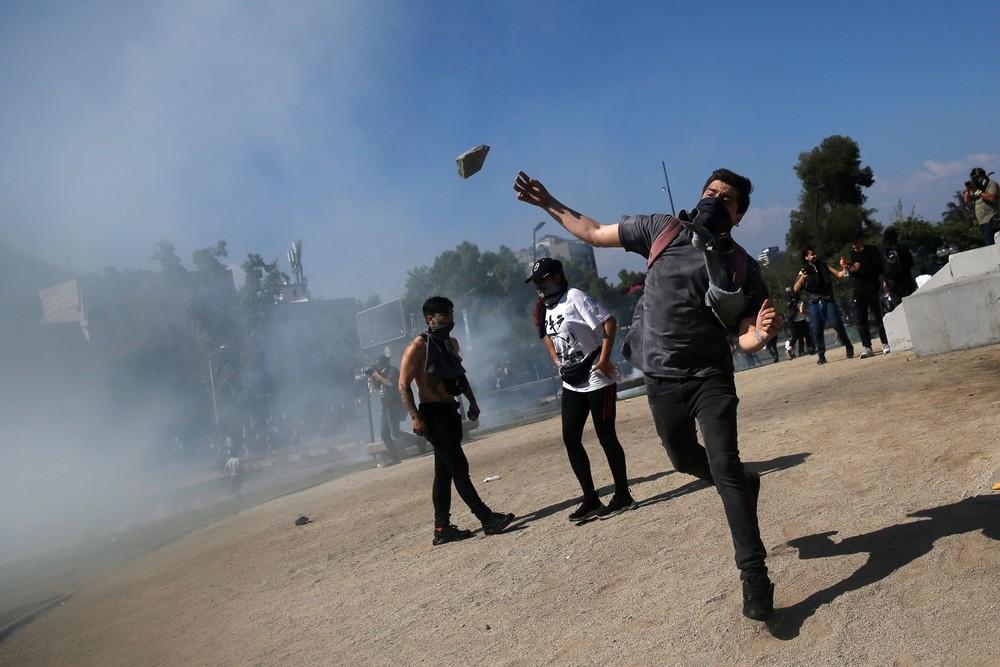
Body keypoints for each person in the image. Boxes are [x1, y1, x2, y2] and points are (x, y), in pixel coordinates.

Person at [514, 168, 781, 621]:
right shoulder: (663, 228)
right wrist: (547, 203)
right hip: (660, 377)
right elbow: (595, 232)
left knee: (724, 463)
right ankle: (743, 482)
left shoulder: (741, 264)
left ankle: (754, 574)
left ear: (738, 216)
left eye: (728, 199)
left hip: (710, 376)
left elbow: (746, 332)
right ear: (699, 196)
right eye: (711, 192)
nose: (717, 199)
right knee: (681, 459)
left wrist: (759, 336)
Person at [527, 256, 637, 521]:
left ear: (556, 276)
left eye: (543, 279)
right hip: (571, 382)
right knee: (570, 438)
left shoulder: (574, 296)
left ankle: (623, 495)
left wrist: (604, 359)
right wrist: (555, 358)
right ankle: (590, 498)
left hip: (597, 379)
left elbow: (608, 322)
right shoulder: (544, 306)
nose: (539, 286)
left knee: (605, 436)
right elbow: (544, 333)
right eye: (536, 282)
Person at [398, 296, 515, 546]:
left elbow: (459, 377)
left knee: (443, 473)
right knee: (459, 467)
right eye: (447, 315)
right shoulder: (417, 347)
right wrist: (415, 417)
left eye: (452, 313)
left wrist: (472, 402)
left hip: (451, 411)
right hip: (432, 415)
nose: (452, 319)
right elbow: (403, 385)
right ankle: (487, 519)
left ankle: (442, 529)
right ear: (432, 318)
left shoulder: (451, 343)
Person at [793, 246, 855, 365]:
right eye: (811, 254)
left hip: (828, 299)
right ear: (806, 257)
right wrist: (801, 279)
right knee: (817, 328)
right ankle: (821, 355)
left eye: (815, 253)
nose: (814, 256)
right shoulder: (803, 270)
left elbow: (838, 274)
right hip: (814, 302)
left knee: (836, 323)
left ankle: (848, 346)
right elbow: (796, 288)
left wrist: (845, 269)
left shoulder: (824, 265)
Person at [844, 230, 890, 357]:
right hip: (859, 289)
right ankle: (867, 346)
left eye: (856, 243)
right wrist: (851, 269)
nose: (855, 247)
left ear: (861, 240)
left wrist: (862, 266)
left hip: (872, 287)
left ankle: (885, 342)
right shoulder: (853, 254)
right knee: (861, 319)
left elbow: (879, 268)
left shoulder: (872, 250)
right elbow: (855, 273)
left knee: (878, 316)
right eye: (852, 245)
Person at [368, 354, 405, 465]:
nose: (378, 367)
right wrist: (373, 378)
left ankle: (419, 441)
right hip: (385, 406)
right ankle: (394, 458)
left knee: (395, 432)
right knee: (384, 434)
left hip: (394, 404)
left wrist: (378, 377)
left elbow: (390, 383)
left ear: (385, 362)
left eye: (379, 364)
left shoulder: (393, 370)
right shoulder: (382, 374)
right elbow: (377, 388)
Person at [880, 226, 917, 308]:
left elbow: (883, 268)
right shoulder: (902, 247)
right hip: (906, 280)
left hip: (893, 283)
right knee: (911, 305)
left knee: (899, 307)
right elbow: (911, 263)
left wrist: (885, 281)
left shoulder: (884, 251)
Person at [963, 168, 999, 246]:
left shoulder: (991, 184)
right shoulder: (977, 189)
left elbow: (992, 198)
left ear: (984, 176)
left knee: (995, 243)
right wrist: (968, 190)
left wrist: (978, 192)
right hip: (983, 222)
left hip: (993, 219)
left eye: (979, 177)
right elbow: (967, 201)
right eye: (975, 178)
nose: (977, 179)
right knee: (990, 245)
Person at [784, 287, 813, 358]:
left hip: (793, 323)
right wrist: (808, 314)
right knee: (806, 335)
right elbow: (801, 311)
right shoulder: (800, 302)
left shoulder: (789, 303)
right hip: (802, 321)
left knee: (794, 337)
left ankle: (789, 350)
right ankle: (810, 349)